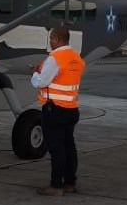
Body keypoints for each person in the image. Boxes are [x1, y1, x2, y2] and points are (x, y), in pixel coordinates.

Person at [30, 26, 86, 196]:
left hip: (54, 109)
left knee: (56, 148)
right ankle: (70, 182)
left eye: (51, 39)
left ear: (57, 39)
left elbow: (41, 82)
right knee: (69, 146)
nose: (50, 42)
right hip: (71, 109)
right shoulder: (76, 58)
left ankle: (56, 185)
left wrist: (34, 74)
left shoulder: (55, 58)